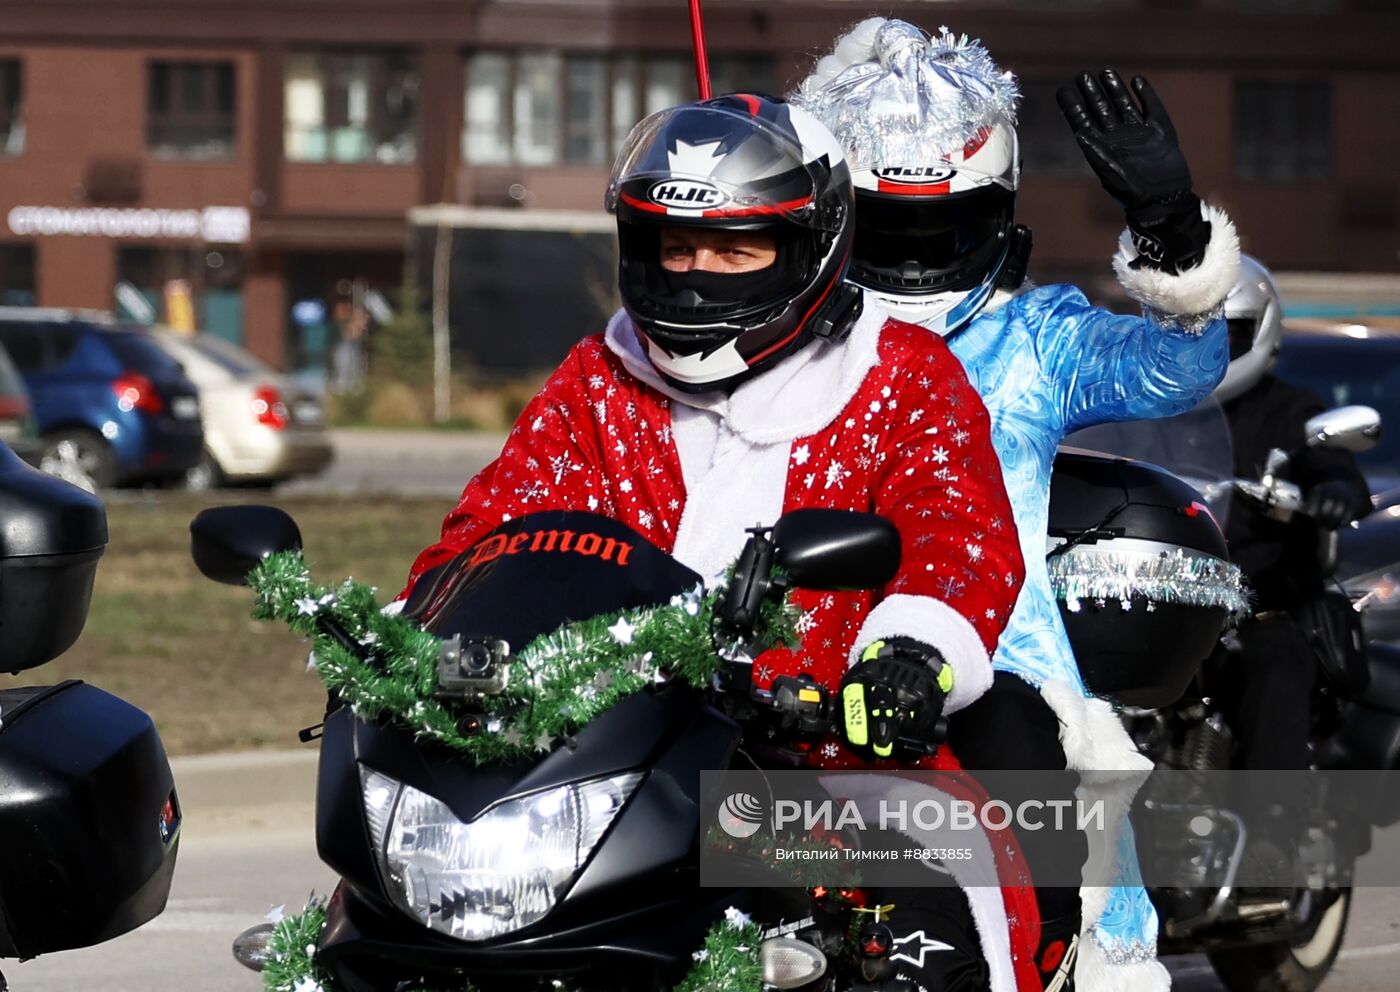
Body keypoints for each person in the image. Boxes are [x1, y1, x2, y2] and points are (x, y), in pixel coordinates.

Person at [399, 94, 1035, 988]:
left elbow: (957, 532)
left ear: (809, 246)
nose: (697, 273)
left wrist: (907, 657)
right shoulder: (600, 381)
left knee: (926, 934)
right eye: (676, 246)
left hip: (822, 766)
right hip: (604, 770)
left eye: (737, 248)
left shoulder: (901, 376)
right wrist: (413, 634)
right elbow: (496, 529)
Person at [792, 19, 1243, 991]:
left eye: (941, 230)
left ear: (994, 216)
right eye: (886, 229)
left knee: (1070, 929)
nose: (913, 261)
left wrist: (1172, 231)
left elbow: (1177, 368)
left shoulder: (1034, 338)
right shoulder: (789, 340)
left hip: (1005, 680)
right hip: (797, 673)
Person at [1215, 255, 1371, 772]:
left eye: (1228, 330)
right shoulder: (1150, 406)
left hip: (1260, 603)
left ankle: (1268, 831)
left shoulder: (1291, 410)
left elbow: (1332, 463)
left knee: (1279, 664)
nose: (1211, 344)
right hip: (1161, 599)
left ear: (1261, 329)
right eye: (1191, 330)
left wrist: (1334, 489)